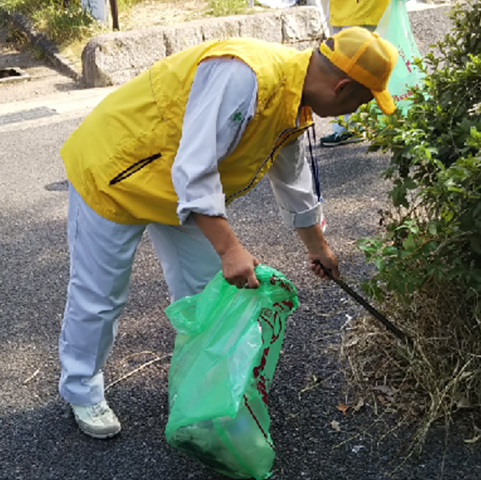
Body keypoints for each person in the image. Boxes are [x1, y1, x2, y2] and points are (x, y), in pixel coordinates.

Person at [58, 27, 397, 439]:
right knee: (101, 294)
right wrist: (229, 247)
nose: (351, 113)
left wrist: (318, 248)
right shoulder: (245, 76)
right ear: (342, 87)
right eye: (360, 101)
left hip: (175, 189)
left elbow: (293, 181)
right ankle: (82, 390)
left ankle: (201, 390)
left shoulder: (294, 101)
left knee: (209, 295)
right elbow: (195, 169)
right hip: (114, 170)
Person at [319, 0, 390, 147]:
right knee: (341, 69)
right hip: (343, 10)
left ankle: (354, 127)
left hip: (363, 10)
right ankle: (350, 127)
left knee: (355, 72)